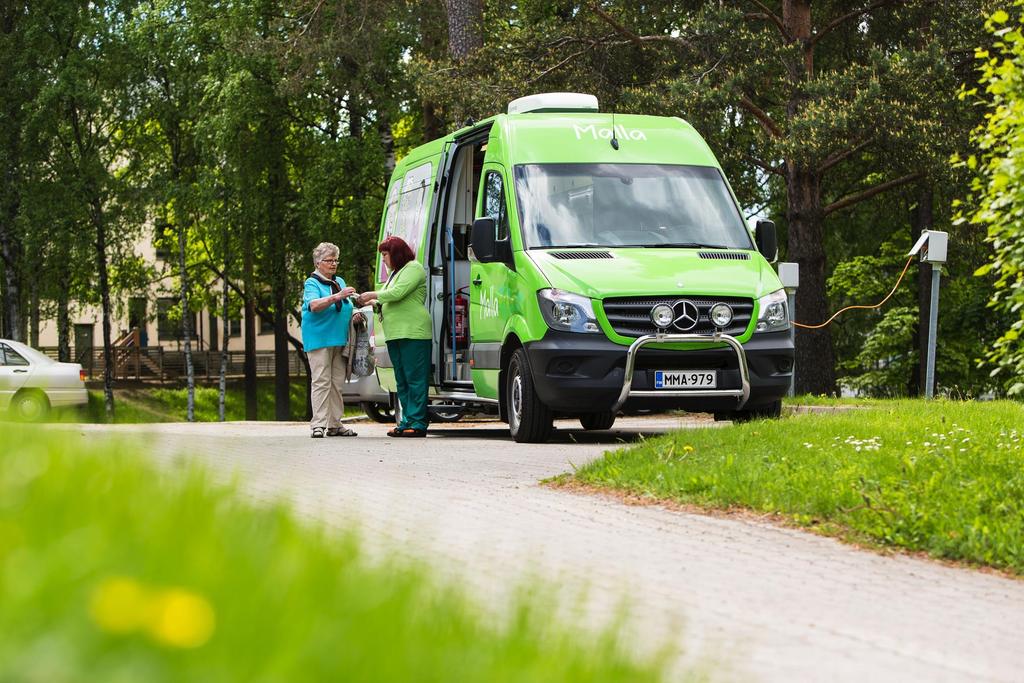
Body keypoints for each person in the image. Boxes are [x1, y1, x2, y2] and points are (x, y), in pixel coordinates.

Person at [357, 236, 431, 437]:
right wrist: (371, 302)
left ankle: (417, 423)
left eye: (385, 255)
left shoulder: (413, 268)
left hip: (413, 332)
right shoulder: (394, 273)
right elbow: (388, 299)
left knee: (415, 378)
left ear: (396, 253)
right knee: (402, 379)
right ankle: (406, 420)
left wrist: (373, 295)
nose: (383, 260)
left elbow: (397, 293)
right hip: (395, 333)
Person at [302, 242, 361, 439]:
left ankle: (335, 423)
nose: (334, 264)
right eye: (329, 260)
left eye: (336, 260)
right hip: (319, 339)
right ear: (318, 263)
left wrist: (354, 315)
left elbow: (347, 306)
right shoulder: (312, 283)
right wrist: (337, 296)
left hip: (339, 338)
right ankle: (318, 425)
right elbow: (314, 305)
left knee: (337, 382)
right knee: (321, 381)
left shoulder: (339, 281)